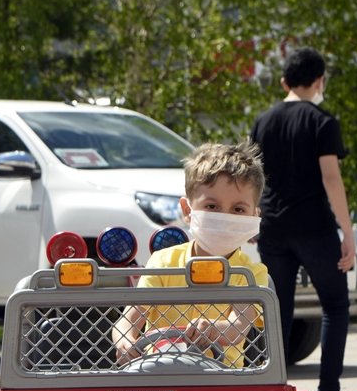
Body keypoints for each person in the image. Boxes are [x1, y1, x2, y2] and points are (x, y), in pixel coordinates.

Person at [250, 46, 357, 391]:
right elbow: (331, 178)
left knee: (277, 311)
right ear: (319, 81)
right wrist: (348, 232)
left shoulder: (262, 122)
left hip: (273, 227)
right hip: (314, 227)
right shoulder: (322, 122)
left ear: (283, 81)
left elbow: (253, 178)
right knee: (335, 305)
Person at [113, 142, 269, 367]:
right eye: (212, 207)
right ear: (187, 210)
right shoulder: (164, 262)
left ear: (254, 216)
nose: (224, 217)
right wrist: (125, 340)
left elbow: (238, 326)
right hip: (157, 374)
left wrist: (214, 329)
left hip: (222, 379)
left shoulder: (249, 273)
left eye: (238, 210)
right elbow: (129, 318)